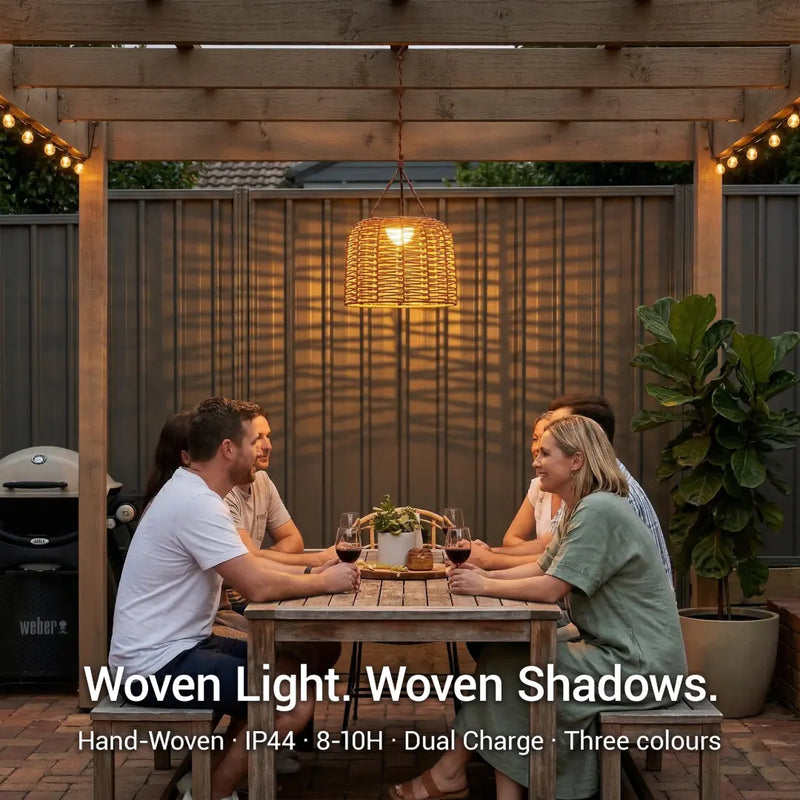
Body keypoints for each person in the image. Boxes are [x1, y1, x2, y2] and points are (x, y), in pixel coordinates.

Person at [390, 415, 687, 800]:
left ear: (576, 461)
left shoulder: (600, 511)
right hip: (615, 651)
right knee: (505, 657)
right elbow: (543, 565)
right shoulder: (584, 506)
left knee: (509, 669)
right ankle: (476, 781)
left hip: (640, 665)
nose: (536, 460)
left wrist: (485, 583)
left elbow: (551, 588)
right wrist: (486, 572)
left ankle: (454, 774)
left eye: (546, 453)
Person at [109, 397, 360, 800]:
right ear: (228, 448)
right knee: (293, 700)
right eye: (255, 439)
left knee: (291, 668)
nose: (264, 446)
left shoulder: (194, 492)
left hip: (183, 646)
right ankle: (211, 793)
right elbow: (257, 587)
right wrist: (326, 581)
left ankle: (207, 781)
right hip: (154, 665)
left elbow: (253, 569)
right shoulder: (196, 503)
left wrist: (317, 573)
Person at [469, 393, 672, 578]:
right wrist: (487, 562)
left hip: (622, 617)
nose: (547, 437)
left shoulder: (606, 497)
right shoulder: (581, 487)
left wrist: (488, 569)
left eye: (560, 428)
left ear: (587, 436)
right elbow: (547, 558)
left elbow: (554, 582)